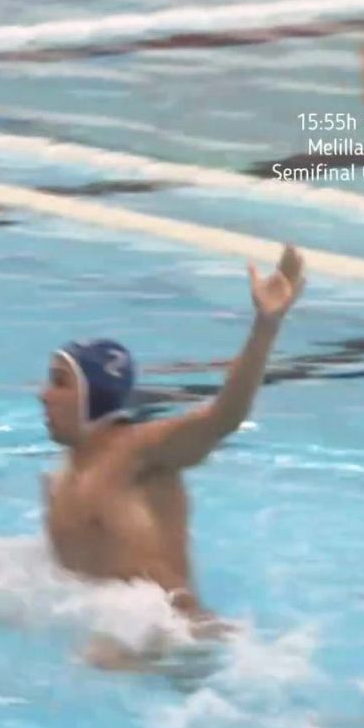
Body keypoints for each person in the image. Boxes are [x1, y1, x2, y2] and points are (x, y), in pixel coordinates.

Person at [38, 244, 304, 659]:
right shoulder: (57, 481)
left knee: (100, 659)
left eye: (59, 382)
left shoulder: (139, 453)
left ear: (95, 396)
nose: (43, 394)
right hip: (121, 643)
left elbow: (224, 416)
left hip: (183, 645)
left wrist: (265, 326)